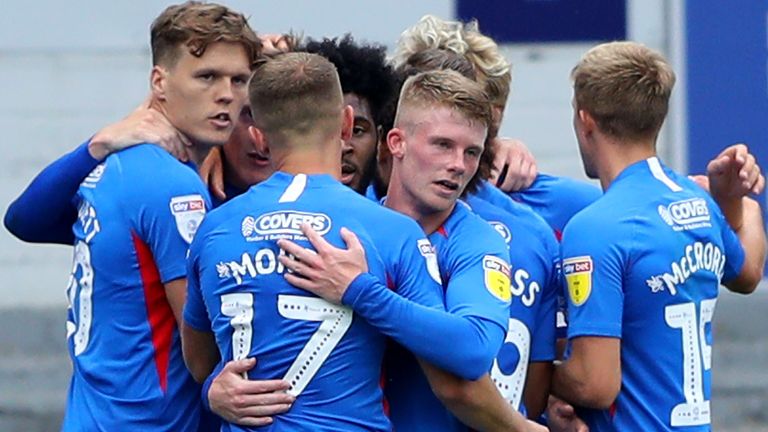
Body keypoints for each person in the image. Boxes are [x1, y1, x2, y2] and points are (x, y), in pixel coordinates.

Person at [5, 2, 260, 430]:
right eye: (207, 77)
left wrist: (97, 145)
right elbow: (205, 344)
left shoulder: (118, 166)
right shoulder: (171, 186)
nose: (227, 95)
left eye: (239, 80)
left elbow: (23, 220)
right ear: (159, 82)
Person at [277, 69, 544, 432]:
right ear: (397, 143)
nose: (458, 165)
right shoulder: (346, 227)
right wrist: (217, 387)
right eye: (442, 145)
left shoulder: (477, 242)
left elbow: (474, 349)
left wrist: (361, 291)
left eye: (471, 152)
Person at [552, 41, 766, 431]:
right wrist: (743, 205)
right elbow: (749, 272)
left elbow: (595, 384)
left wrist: (534, 369)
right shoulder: (697, 201)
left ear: (585, 122)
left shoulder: (595, 227)